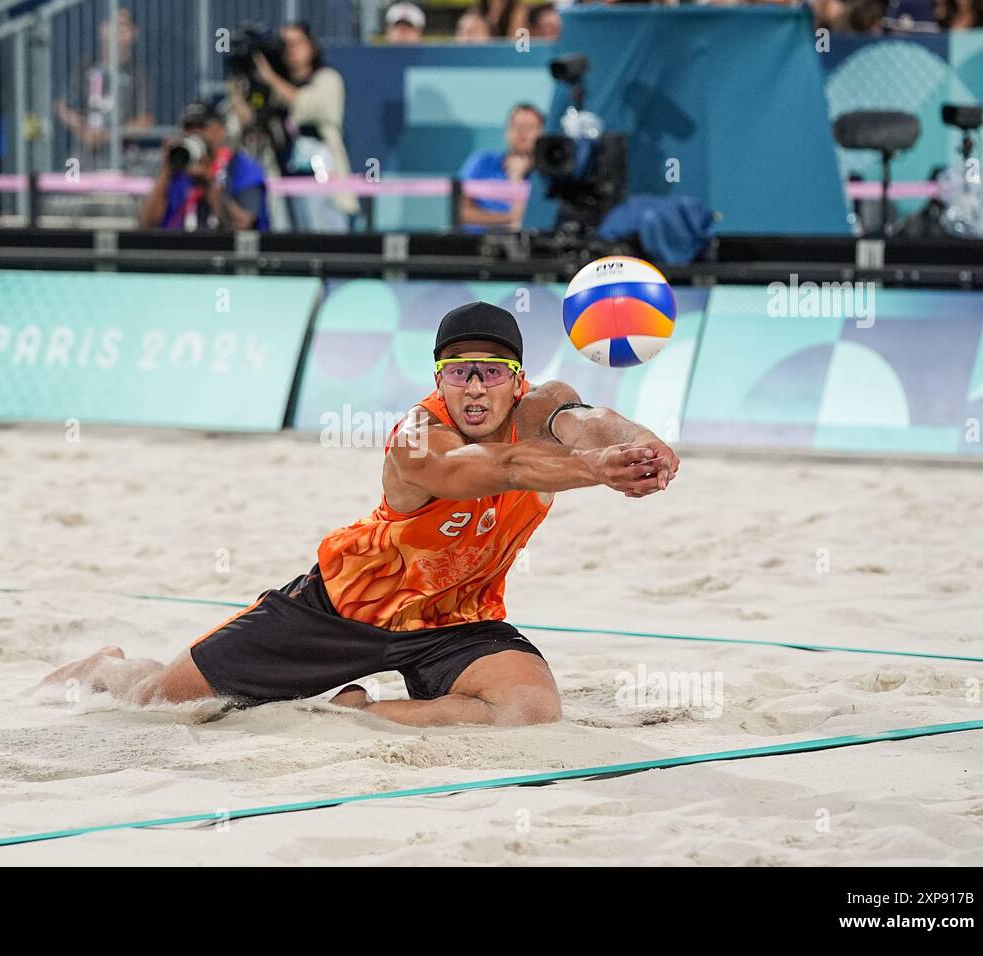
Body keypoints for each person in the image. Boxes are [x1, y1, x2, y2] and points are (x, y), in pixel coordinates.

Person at [40, 302, 680, 728]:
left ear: (519, 380)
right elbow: (492, 471)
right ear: (440, 377)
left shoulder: (547, 408)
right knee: (165, 704)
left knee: (530, 709)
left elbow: (592, 423)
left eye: (491, 372)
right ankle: (105, 666)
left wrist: (642, 449)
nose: (475, 388)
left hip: (454, 615)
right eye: (459, 374)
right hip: (343, 607)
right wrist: (597, 471)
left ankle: (355, 709)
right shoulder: (416, 438)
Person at [245, 21, 357, 232]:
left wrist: (269, 77)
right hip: (284, 180)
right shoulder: (274, 88)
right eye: (284, 45)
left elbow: (307, 106)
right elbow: (248, 121)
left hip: (322, 182)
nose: (291, 50)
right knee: (289, 250)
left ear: (312, 46)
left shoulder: (327, 78)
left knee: (327, 247)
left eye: (297, 43)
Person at [139, 102, 269, 231]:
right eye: (188, 127)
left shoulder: (241, 167)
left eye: (202, 126)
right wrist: (167, 169)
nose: (195, 132)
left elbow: (245, 224)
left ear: (221, 130)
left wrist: (209, 184)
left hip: (223, 248)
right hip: (179, 247)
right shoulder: (177, 168)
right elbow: (147, 223)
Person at [54, 6, 155, 171]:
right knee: (70, 188)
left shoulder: (140, 75)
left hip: (124, 157)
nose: (119, 31)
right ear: (102, 29)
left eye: (124, 25)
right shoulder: (84, 67)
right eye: (113, 24)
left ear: (134, 32)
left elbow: (145, 121)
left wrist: (109, 135)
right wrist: (83, 130)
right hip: (83, 154)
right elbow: (62, 107)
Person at [456, 102, 543, 232]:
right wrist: (508, 218)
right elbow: (459, 210)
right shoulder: (482, 161)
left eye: (529, 127)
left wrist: (516, 178)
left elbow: (533, 221)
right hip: (476, 245)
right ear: (507, 131)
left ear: (541, 133)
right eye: (516, 126)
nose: (522, 133)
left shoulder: (545, 174)